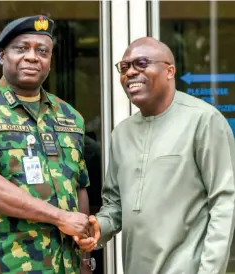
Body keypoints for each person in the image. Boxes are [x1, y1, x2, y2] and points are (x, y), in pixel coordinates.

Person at [75, 37, 235, 274]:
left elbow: (224, 203)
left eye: (141, 63)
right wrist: (99, 226)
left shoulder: (204, 121)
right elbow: (115, 204)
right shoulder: (121, 133)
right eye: (124, 67)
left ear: (169, 71)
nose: (130, 72)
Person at [0, 15, 93, 274]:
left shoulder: (69, 116)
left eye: (42, 51)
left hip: (67, 266)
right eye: (22, 48)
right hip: (7, 264)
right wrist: (61, 218)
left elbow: (79, 188)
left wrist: (84, 256)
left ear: (50, 61)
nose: (32, 57)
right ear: (2, 56)